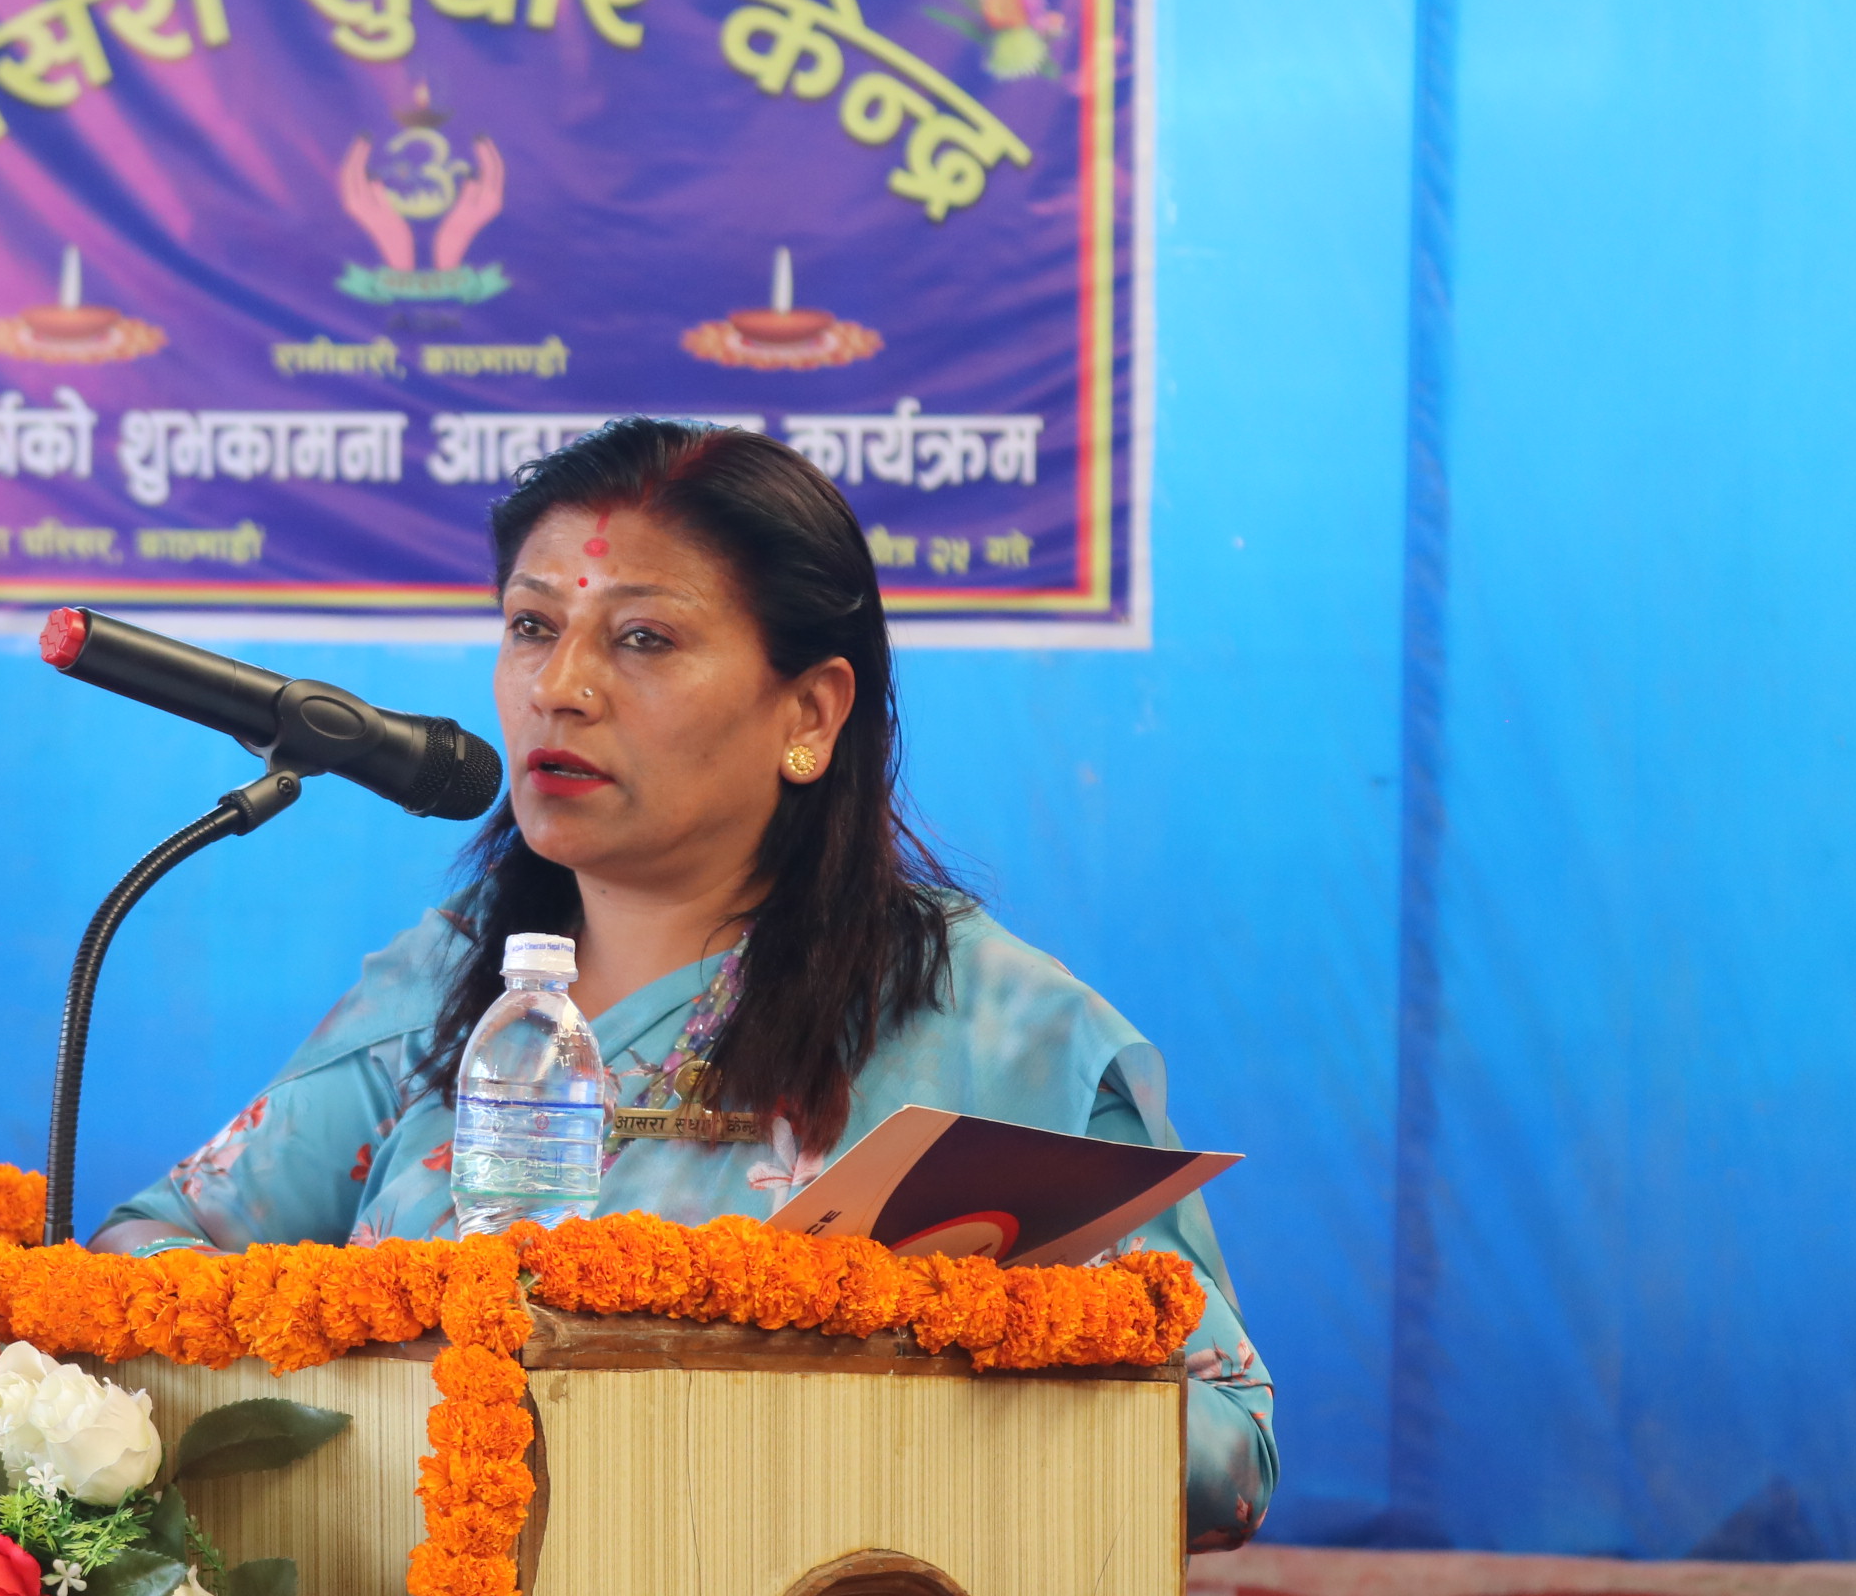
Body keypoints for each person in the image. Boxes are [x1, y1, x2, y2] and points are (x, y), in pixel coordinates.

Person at [94, 419, 1275, 1549]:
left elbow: (1222, 1448)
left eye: (643, 639)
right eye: (530, 625)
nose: (561, 685)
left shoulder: (1001, 1029)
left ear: (809, 712)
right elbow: (142, 1259)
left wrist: (871, 1385)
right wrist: (375, 1356)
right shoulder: (445, 987)